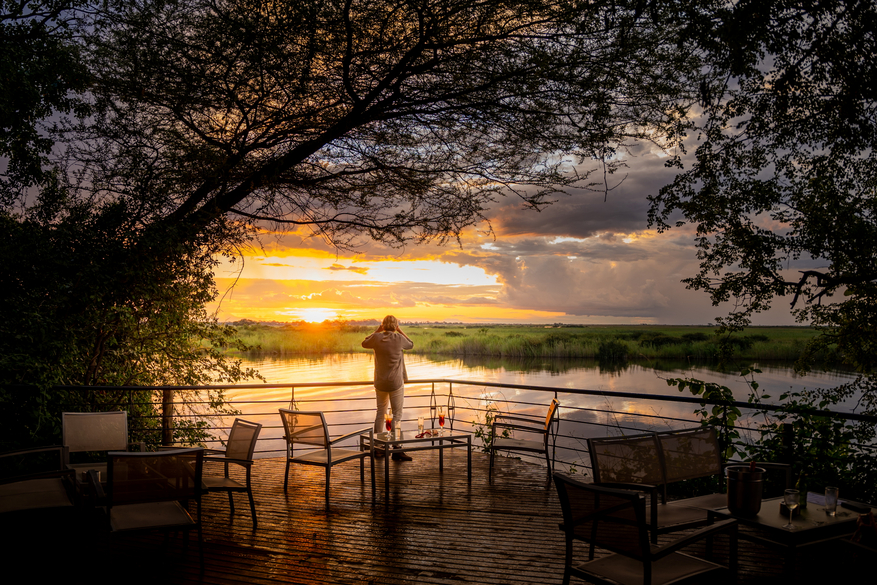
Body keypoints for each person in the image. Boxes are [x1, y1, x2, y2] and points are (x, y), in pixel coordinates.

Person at [362, 315, 414, 461]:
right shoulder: (399, 338)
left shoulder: (377, 338)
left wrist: (377, 331)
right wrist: (400, 331)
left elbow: (364, 342)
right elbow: (411, 344)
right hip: (396, 383)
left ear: (383, 325)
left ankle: (378, 448)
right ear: (396, 325)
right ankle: (397, 449)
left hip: (380, 383)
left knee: (380, 413)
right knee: (397, 415)